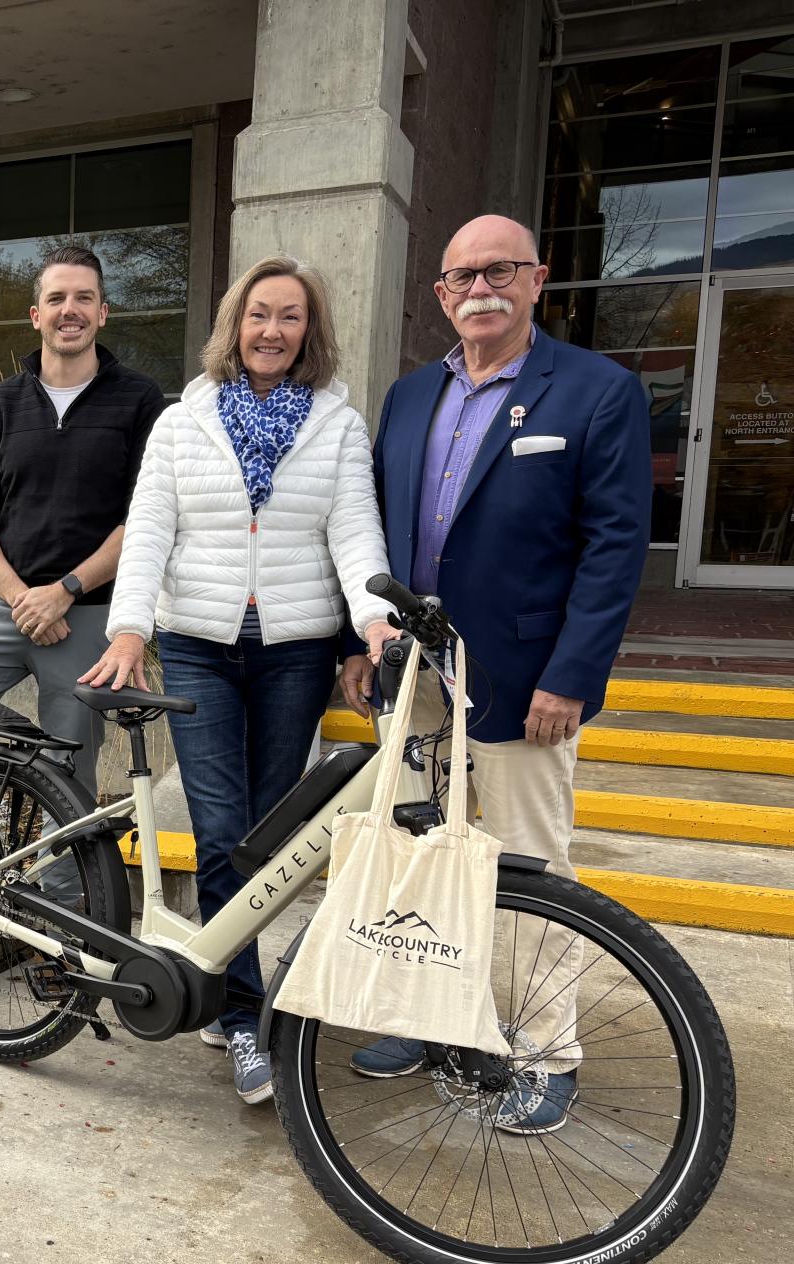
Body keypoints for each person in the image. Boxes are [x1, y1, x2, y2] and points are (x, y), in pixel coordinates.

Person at [345, 214, 652, 1135]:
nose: (479, 288)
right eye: (460, 277)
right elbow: (372, 530)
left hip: (526, 676)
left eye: (498, 271)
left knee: (530, 864)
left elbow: (614, 547)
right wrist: (360, 644)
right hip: (415, 671)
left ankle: (548, 1051)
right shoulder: (406, 398)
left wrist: (573, 672)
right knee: (414, 854)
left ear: (536, 279)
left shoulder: (597, 392)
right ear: (440, 295)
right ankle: (426, 1016)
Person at [81, 255, 396, 1105]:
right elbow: (149, 529)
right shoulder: (185, 421)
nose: (272, 331)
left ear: (310, 330)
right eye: (259, 314)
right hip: (197, 646)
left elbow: (354, 532)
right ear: (234, 323)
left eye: (290, 317)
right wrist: (128, 628)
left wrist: (372, 621)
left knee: (270, 836)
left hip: (296, 649)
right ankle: (240, 1014)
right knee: (223, 825)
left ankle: (232, 989)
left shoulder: (336, 423)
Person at [0, 244, 164, 928]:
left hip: (88, 616)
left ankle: (56, 910)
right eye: (56, 299)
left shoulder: (140, 404)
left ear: (103, 313)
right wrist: (22, 595)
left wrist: (66, 589)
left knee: (68, 767)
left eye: (83, 298)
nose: (69, 311)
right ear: (35, 315)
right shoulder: (1, 406)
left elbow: (149, 518)